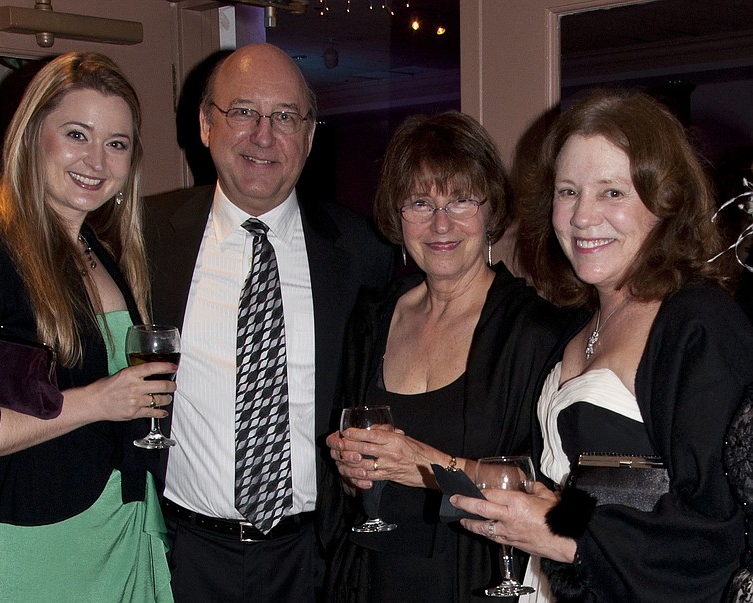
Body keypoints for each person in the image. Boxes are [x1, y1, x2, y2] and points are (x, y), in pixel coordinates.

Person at [450, 89, 753, 602]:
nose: (582, 217)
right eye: (568, 192)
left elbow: (715, 535)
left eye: (612, 192)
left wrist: (566, 537)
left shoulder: (699, 325)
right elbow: (586, 501)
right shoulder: (580, 324)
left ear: (666, 200)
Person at [0, 51, 176, 602]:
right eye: (77, 134)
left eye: (116, 144)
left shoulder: (99, 250)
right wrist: (97, 402)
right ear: (32, 136)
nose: (96, 160)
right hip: (34, 541)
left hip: (123, 524)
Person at [142, 42, 393, 602]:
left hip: (313, 558)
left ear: (308, 135)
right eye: (243, 112)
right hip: (184, 555)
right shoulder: (144, 238)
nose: (263, 135)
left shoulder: (362, 252)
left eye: (284, 117)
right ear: (207, 124)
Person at [320, 111, 573, 602]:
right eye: (420, 202)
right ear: (397, 214)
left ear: (491, 210)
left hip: (477, 582)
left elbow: (542, 490)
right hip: (370, 580)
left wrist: (424, 464)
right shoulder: (373, 318)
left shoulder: (537, 331)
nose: (441, 223)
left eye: (461, 200)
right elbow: (349, 485)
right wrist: (350, 469)